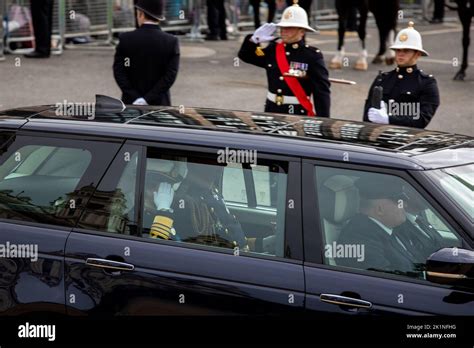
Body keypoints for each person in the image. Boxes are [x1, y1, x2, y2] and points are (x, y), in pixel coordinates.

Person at [238, 2, 330, 117]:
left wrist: (323, 123)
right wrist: (253, 40)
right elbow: (246, 56)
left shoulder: (312, 56)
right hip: (271, 110)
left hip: (297, 113)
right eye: (282, 27)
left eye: (289, 27)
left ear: (302, 31)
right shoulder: (273, 49)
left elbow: (321, 92)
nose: (284, 31)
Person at [363, 21, 440, 128]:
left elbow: (423, 119)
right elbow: (367, 115)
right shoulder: (382, 79)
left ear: (417, 54)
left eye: (406, 50)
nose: (400, 54)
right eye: (398, 50)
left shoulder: (426, 83)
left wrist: (388, 119)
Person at [337, 176, 418, 276]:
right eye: (399, 201)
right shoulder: (359, 239)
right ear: (380, 209)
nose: (404, 205)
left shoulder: (391, 227)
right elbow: (388, 280)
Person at [113, 0, 179, 106]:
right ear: (159, 17)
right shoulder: (171, 41)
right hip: (159, 103)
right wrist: (147, 99)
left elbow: (119, 71)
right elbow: (170, 76)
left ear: (141, 14)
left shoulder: (126, 39)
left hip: (130, 102)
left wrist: (134, 96)